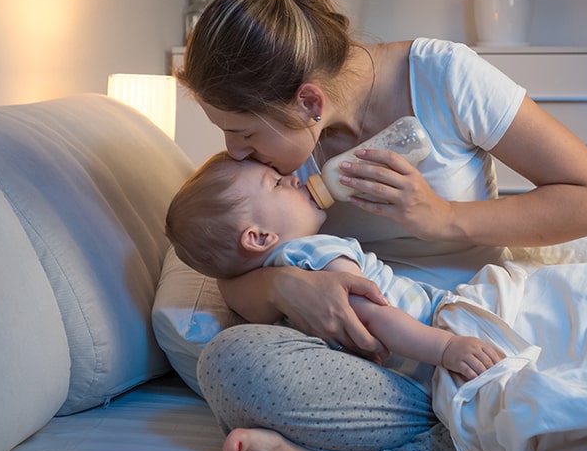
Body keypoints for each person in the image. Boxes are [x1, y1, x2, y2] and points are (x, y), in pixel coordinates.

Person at [174, 0, 587, 451]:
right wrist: (288, 286)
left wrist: (443, 217)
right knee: (230, 362)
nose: (234, 151)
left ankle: (464, 426)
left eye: (244, 131)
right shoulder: (269, 168)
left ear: (309, 102)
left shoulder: (444, 77)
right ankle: (496, 422)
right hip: (369, 359)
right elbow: (232, 270)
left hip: (463, 331)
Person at [165, 152, 507, 383]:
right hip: (437, 326)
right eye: (278, 184)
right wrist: (445, 348)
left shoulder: (272, 281)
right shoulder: (313, 251)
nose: (296, 180)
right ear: (259, 237)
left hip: (414, 359)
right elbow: (373, 314)